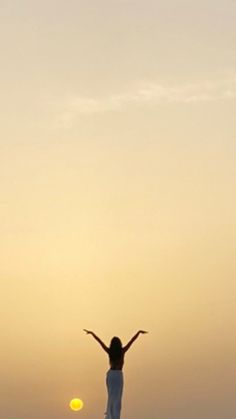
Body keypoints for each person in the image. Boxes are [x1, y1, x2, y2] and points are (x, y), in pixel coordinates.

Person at [83, 329, 148, 419]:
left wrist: (92, 333)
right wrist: (138, 333)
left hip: (110, 375)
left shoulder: (110, 351)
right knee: (117, 398)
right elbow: (132, 341)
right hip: (117, 375)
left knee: (111, 396)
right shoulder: (122, 351)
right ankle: (115, 417)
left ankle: (109, 416)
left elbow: (99, 341)